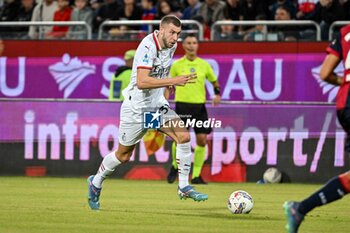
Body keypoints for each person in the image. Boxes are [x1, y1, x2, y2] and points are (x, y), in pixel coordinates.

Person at [87, 15, 208, 210]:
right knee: (123, 155)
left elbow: (159, 72)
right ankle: (95, 182)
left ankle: (184, 186)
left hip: (155, 107)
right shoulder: (147, 46)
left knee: (183, 136)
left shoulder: (171, 45)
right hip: (135, 110)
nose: (176, 38)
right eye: (172, 32)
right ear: (160, 30)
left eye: (178, 33)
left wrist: (167, 83)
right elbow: (142, 82)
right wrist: (172, 81)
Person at [283, 24, 350, 233]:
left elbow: (325, 73)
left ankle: (301, 208)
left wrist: (345, 83)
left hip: (345, 103)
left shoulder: (346, 31)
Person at [166, 34, 221, 185]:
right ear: (183, 46)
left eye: (194, 42)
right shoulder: (177, 65)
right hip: (182, 105)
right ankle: (175, 166)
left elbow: (214, 81)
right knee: (179, 139)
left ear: (198, 45)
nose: (191, 45)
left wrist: (217, 94)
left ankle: (196, 175)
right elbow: (169, 83)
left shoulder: (204, 65)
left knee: (202, 140)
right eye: (188, 43)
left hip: (199, 107)